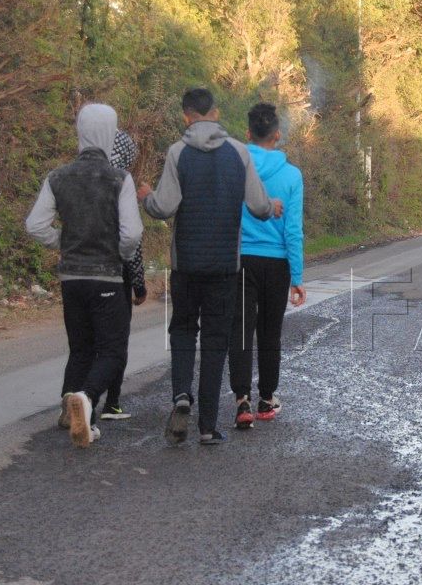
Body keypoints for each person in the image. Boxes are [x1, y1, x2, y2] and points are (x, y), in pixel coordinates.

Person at [137, 87, 281, 446]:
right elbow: (259, 206)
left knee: (183, 329)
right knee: (217, 339)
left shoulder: (177, 153)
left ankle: (181, 395)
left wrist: (145, 198)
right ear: (215, 113)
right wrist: (273, 206)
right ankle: (207, 426)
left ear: (187, 116)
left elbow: (163, 207)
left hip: (186, 265)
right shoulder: (239, 153)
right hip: (224, 267)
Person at [26, 103, 143, 448]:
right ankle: (86, 398)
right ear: (110, 133)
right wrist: (117, 254)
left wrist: (63, 241)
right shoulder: (119, 178)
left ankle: (68, 402)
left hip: (71, 278)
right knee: (112, 351)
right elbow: (132, 235)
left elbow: (35, 226)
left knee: (80, 347)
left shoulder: (57, 176)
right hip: (106, 277)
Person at [228, 103, 306, 431]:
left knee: (241, 330)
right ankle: (266, 398)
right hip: (276, 264)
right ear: (277, 134)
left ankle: (242, 399)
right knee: (270, 331)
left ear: (247, 134)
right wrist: (297, 277)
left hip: (241, 259)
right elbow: (293, 230)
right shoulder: (291, 175)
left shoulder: (235, 167)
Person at [99, 128, 147, 421]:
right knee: (116, 340)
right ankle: (111, 402)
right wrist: (139, 283)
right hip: (116, 273)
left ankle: (76, 395)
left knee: (87, 341)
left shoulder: (82, 174)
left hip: (82, 270)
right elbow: (132, 239)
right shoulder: (122, 182)